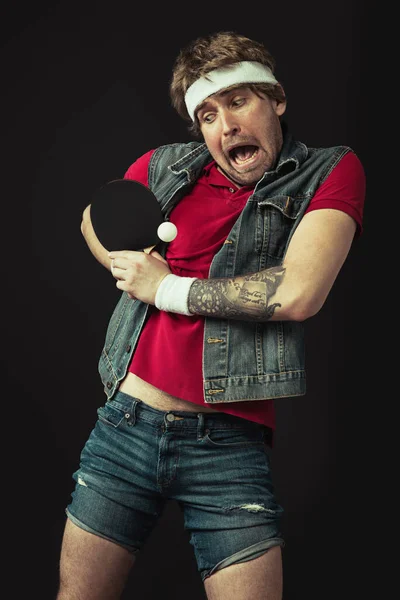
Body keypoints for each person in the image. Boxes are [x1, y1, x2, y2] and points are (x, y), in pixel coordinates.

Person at [57, 31, 366, 600]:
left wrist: (166, 288)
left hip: (228, 443)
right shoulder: (166, 166)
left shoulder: (328, 171)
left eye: (239, 101)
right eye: (207, 114)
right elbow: (91, 219)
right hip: (124, 426)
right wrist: (129, 268)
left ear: (275, 100)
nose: (225, 125)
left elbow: (298, 291)